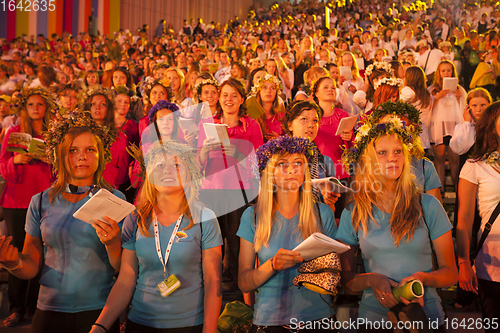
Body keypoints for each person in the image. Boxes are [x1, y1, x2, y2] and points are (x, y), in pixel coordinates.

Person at [0, 110, 124, 333]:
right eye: (73, 150)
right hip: (49, 310)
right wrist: (14, 264)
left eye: (90, 150)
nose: (82, 156)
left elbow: (124, 268)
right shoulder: (40, 201)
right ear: (59, 155)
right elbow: (31, 265)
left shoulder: (115, 200)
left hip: (99, 311)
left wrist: (113, 243)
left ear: (101, 155)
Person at [337, 102, 457, 332]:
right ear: (370, 160)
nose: (392, 158)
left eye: (397, 151)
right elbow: (347, 280)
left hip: (425, 318)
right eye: (382, 153)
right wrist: (372, 280)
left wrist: (423, 279)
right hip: (374, 321)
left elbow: (451, 273)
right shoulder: (354, 211)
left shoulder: (428, 205)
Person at [89, 140, 222, 333]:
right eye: (160, 165)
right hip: (140, 323)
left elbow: (213, 281)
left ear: (190, 174)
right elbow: (126, 279)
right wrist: (100, 326)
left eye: (176, 165)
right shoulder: (136, 218)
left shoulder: (204, 218)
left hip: (189, 324)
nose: (167, 170)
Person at [237, 135, 337, 331]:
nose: (292, 170)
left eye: (298, 163)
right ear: (270, 172)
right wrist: (273, 265)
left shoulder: (322, 213)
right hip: (270, 321)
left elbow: (335, 275)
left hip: (318, 319)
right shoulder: (252, 217)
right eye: (283, 164)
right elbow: (243, 282)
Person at [197, 78, 263, 288]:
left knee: (237, 240)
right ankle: (212, 285)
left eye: (234, 95)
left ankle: (238, 288)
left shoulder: (251, 125)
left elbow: (260, 162)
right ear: (218, 97)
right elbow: (196, 163)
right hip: (212, 190)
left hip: (240, 191)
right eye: (225, 94)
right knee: (213, 239)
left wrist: (240, 155)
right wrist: (205, 151)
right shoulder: (208, 125)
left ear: (242, 99)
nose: (229, 99)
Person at [0, 87, 55, 327]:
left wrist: (51, 159)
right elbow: (3, 165)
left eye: (39, 104)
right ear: (25, 108)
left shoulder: (53, 134)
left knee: (39, 255)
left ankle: (34, 307)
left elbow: (63, 166)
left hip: (44, 199)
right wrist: (16, 160)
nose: (35, 108)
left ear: (46, 108)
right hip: (17, 199)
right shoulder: (13, 132)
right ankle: (16, 307)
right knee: (16, 254)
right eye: (31, 104)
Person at [456, 101, 500, 333]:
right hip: (492, 266)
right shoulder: (475, 166)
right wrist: (463, 262)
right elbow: (463, 220)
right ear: (492, 126)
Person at [282, 100, 340, 211]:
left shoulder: (326, 162)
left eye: (315, 121)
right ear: (290, 125)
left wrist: (330, 200)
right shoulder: (279, 160)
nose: (311, 125)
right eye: (304, 119)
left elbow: (331, 210)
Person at [428, 60, 466, 196]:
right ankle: (441, 190)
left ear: (453, 72)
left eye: (448, 70)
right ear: (438, 72)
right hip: (438, 128)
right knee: (439, 160)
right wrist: (437, 97)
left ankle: (457, 189)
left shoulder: (459, 89)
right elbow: (427, 110)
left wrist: (459, 98)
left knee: (455, 160)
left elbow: (464, 110)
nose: (446, 73)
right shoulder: (432, 89)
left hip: (454, 128)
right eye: (443, 70)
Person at [80, 85, 129, 189]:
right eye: (93, 104)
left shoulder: (120, 137)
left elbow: (123, 173)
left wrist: (107, 175)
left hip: (108, 190)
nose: (98, 108)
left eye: (103, 104)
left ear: (109, 109)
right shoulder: (79, 135)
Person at [311, 76, 353, 181]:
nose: (330, 90)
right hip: (319, 173)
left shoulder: (343, 115)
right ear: (316, 94)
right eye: (325, 87)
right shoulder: (311, 117)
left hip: (342, 172)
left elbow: (352, 146)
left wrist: (350, 137)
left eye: (333, 88)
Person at [250, 74, 285, 142]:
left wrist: (279, 139)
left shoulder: (281, 116)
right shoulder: (251, 115)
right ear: (259, 91)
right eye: (264, 87)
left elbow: (288, 139)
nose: (268, 91)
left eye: (272, 88)